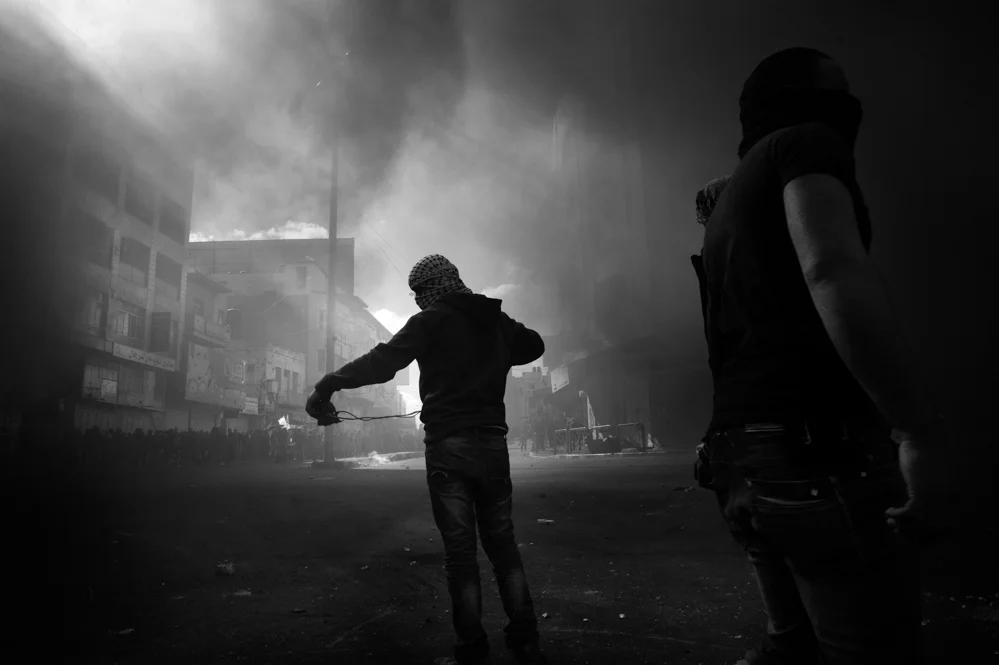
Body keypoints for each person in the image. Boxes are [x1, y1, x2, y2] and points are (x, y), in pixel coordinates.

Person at [694, 47, 948, 665]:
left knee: (791, 647)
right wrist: (916, 432)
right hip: (817, 455)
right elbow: (831, 268)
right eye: (839, 90)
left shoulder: (724, 202)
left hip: (748, 462)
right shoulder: (802, 146)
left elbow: (727, 342)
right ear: (803, 100)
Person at [306, 254, 547, 665]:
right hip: (492, 444)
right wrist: (493, 351)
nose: (420, 300)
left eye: (420, 292)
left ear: (429, 289)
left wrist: (327, 385)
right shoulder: (496, 320)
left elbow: (383, 362)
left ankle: (471, 649)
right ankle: (524, 640)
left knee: (461, 554)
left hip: (448, 446)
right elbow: (535, 345)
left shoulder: (431, 321)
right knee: (503, 547)